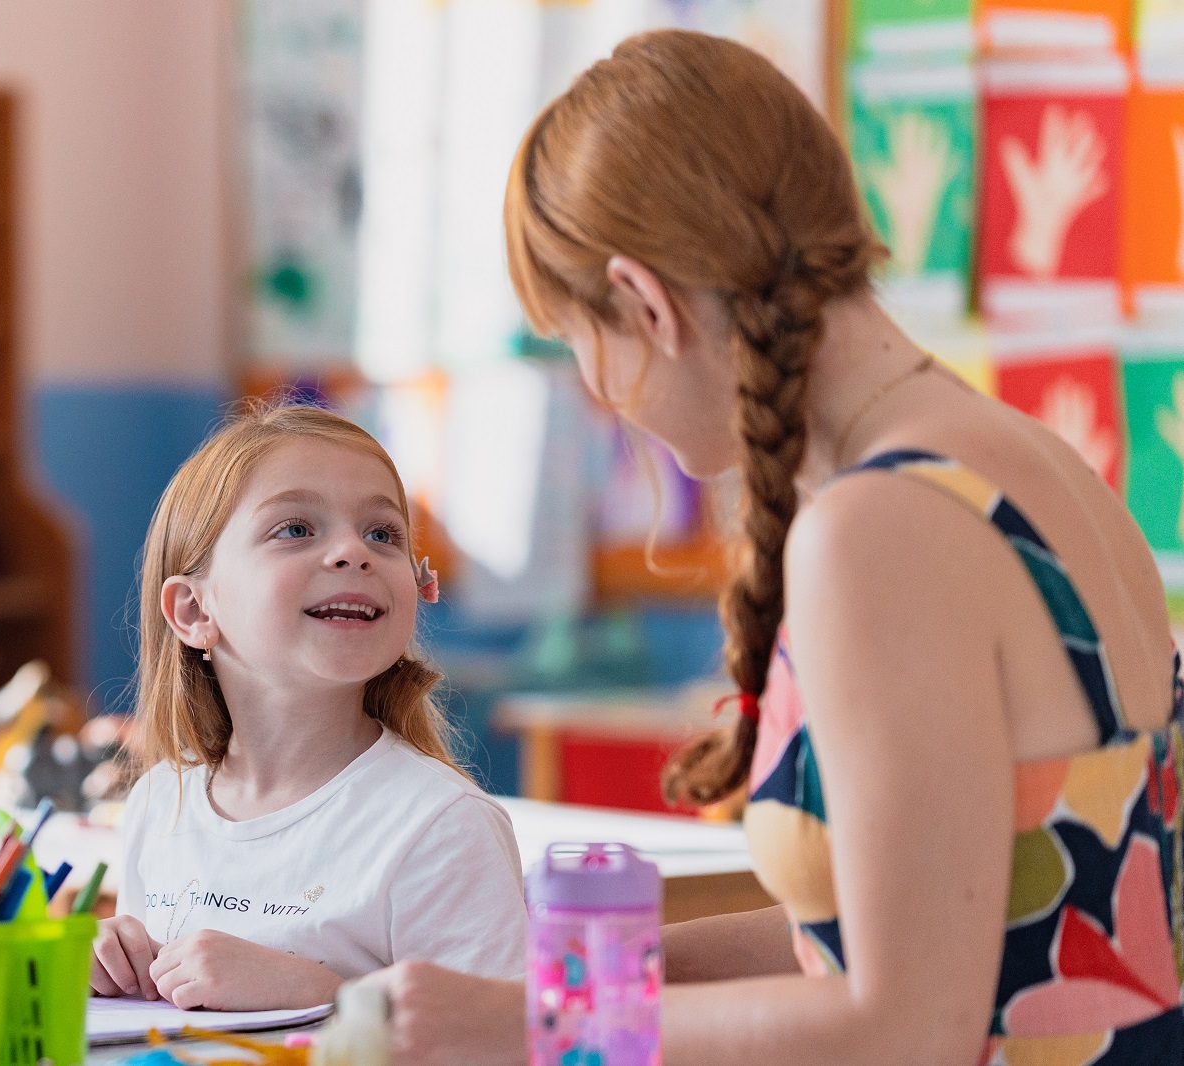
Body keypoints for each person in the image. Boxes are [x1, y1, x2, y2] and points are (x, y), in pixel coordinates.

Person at [361, 29, 1184, 1065]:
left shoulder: (876, 529)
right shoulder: (1023, 462)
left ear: (647, 303)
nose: (602, 396)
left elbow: (904, 1024)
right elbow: (907, 935)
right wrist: (579, 972)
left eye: (580, 344)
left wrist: (530, 1024)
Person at [90, 403, 528, 1012]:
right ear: (194, 611)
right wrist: (120, 964)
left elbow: (503, 1045)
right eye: (295, 529)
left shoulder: (441, 826)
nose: (355, 552)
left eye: (383, 534)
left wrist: (326, 995)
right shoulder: (160, 803)